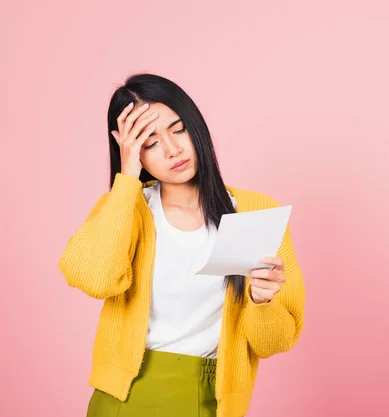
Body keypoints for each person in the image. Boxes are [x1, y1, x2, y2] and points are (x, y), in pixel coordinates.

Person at [58, 73, 306, 417]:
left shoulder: (255, 212)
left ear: (195, 125)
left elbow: (274, 343)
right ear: (133, 153)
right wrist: (127, 180)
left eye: (178, 130)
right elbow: (95, 279)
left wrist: (261, 301)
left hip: (214, 399)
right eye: (149, 142)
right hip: (126, 396)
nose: (173, 150)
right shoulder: (127, 209)